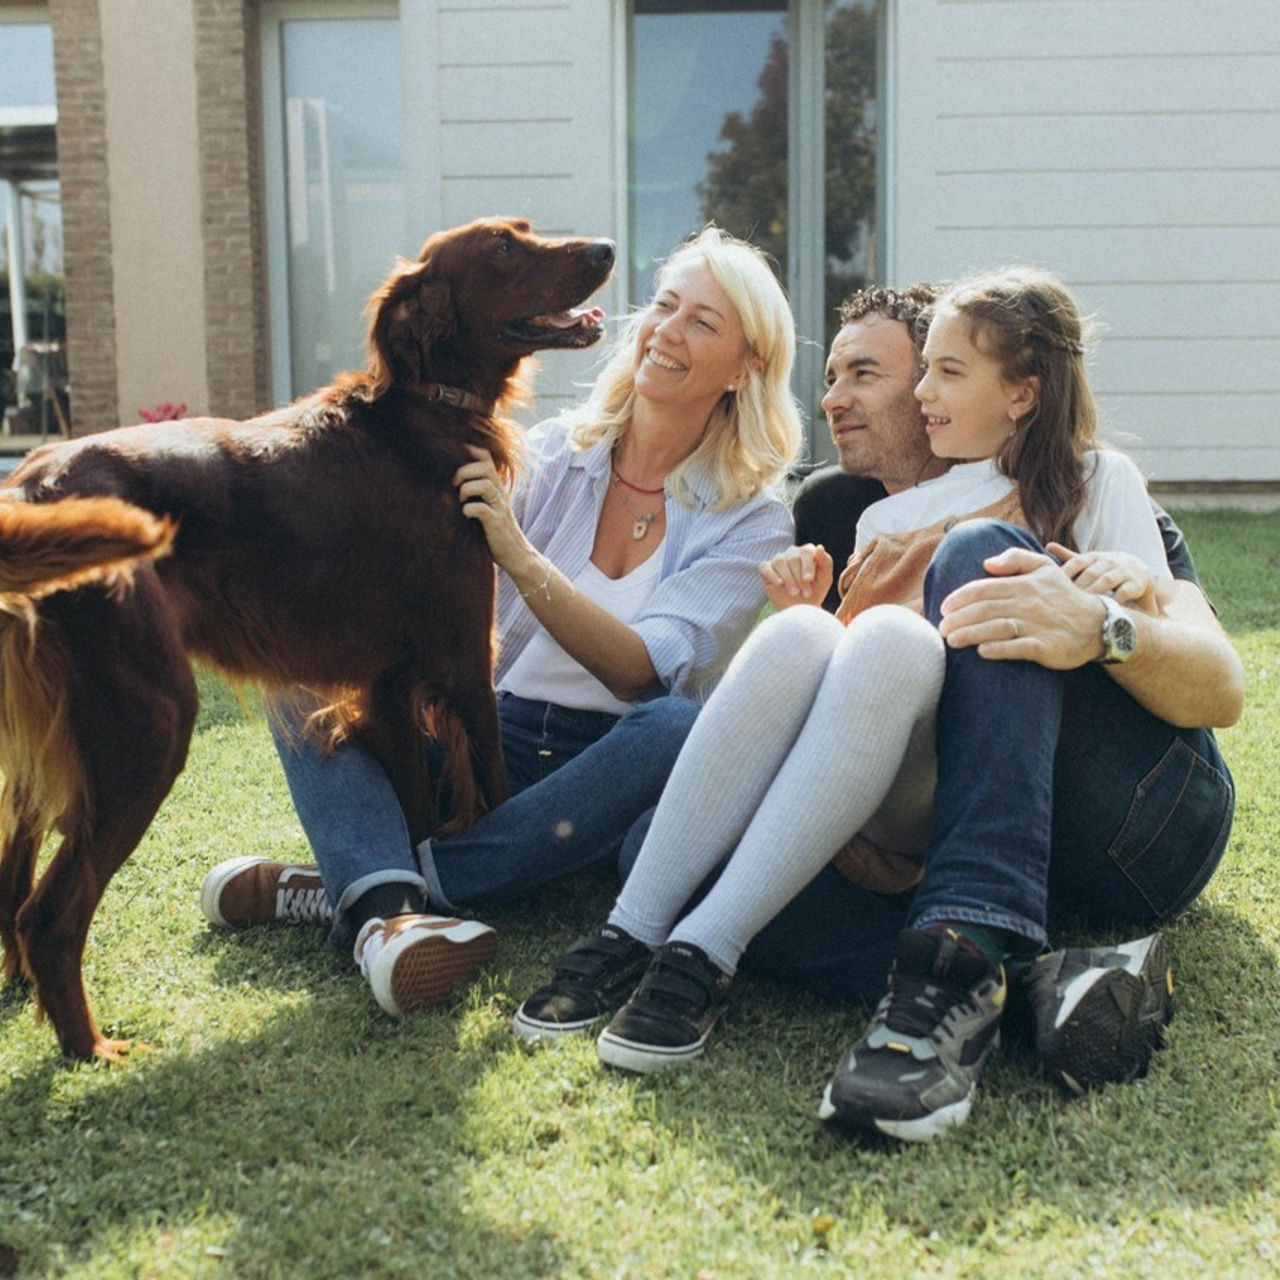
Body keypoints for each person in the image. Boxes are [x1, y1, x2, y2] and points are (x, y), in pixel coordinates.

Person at [512, 268, 1241, 1143]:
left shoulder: (1081, 480)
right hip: (998, 840)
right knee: (664, 852)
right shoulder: (862, 523)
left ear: (1019, 392)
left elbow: (1219, 687)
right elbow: (879, 713)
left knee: (982, 555)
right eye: (837, 376)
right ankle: (1032, 986)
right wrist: (811, 628)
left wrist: (1102, 625)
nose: (837, 399)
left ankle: (961, 952)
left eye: (883, 373)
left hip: (1137, 814)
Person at [199, 226, 802, 1019]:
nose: (665, 332)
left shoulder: (753, 521)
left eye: (704, 322)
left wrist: (517, 555)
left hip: (606, 767)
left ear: (747, 367)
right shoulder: (548, 452)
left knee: (678, 727)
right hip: (492, 739)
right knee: (300, 678)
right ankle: (387, 909)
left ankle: (369, 882)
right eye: (664, 306)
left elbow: (640, 671)